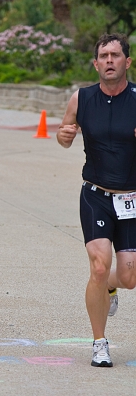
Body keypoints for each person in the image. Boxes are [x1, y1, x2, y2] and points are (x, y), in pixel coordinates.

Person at [57, 33, 136, 367]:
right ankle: (99, 342)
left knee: (129, 275)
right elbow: (65, 133)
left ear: (127, 62)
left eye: (115, 55)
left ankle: (112, 287)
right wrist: (64, 136)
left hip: (131, 198)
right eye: (103, 55)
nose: (108, 61)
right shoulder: (81, 98)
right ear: (95, 63)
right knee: (99, 265)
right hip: (95, 195)